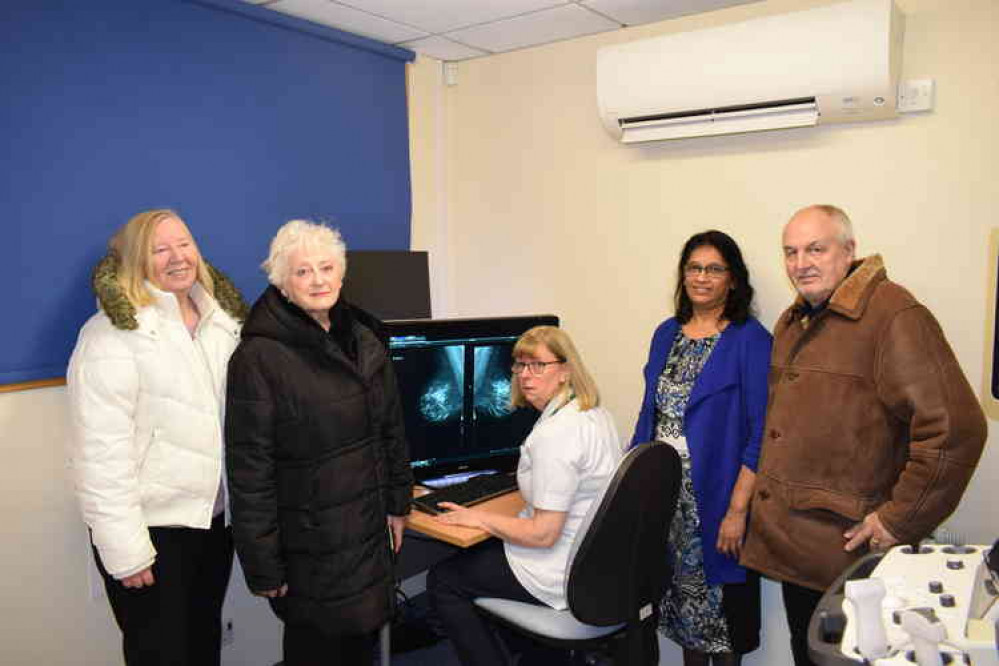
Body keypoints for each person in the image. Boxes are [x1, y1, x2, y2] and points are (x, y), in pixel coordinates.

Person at [740, 204, 988, 666]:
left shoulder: (893, 314)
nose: (800, 264)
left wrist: (897, 520)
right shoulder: (795, 321)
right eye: (790, 252)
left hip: (851, 555)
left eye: (816, 248)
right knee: (807, 655)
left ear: (849, 250)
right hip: (800, 552)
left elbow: (957, 430)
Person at [224, 219, 412, 666]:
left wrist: (398, 503)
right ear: (282, 284)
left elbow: (391, 430)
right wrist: (263, 563)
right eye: (302, 271)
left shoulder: (365, 339)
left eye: (326, 267)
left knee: (359, 648)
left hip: (366, 533)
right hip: (309, 549)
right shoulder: (258, 358)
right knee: (316, 652)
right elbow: (250, 471)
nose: (318, 280)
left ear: (342, 274)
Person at [67, 209, 247, 665]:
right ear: (134, 261)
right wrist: (126, 552)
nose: (176, 257)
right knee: (159, 654)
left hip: (212, 523)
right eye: (159, 248)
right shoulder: (109, 337)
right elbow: (99, 454)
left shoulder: (223, 323)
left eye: (184, 244)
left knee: (202, 645)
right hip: (151, 532)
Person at [427, 325, 623, 666]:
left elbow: (543, 533)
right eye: (519, 365)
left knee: (444, 580)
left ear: (564, 371)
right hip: (595, 565)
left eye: (537, 365)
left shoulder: (557, 434)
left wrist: (479, 517)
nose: (525, 376)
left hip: (557, 568)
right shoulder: (593, 414)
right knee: (484, 552)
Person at [630, 230, 771, 666]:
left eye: (714, 269)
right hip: (667, 506)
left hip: (716, 506)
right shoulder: (666, 334)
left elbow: (762, 431)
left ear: (732, 279)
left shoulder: (750, 339)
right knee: (685, 620)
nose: (702, 277)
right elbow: (648, 414)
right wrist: (632, 488)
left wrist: (738, 511)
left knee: (724, 628)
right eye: (694, 268)